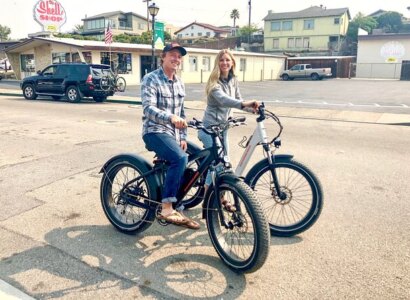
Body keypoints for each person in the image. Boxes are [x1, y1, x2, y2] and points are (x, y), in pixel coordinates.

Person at [141, 42, 200, 230]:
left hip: (174, 134)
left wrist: (182, 136)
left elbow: (182, 112)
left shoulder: (179, 82)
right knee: (180, 158)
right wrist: (170, 117)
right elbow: (148, 108)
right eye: (173, 55)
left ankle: (179, 200)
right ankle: (166, 207)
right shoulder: (151, 79)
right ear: (163, 57)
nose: (177, 59)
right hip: (154, 131)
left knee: (200, 157)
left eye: (179, 56)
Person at [198, 49, 260, 212]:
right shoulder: (214, 83)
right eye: (221, 60)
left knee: (219, 166)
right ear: (217, 63)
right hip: (210, 130)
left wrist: (253, 110)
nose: (224, 63)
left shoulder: (233, 81)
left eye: (227, 60)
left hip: (223, 130)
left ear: (232, 62)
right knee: (222, 167)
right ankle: (217, 199)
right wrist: (246, 104)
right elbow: (226, 101)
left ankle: (212, 197)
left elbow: (239, 101)